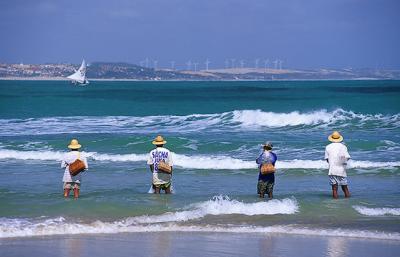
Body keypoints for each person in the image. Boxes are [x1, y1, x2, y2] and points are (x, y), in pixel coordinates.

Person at [325, 131, 351, 199]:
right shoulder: (343, 147)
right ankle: (348, 202)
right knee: (345, 188)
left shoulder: (328, 147)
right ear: (339, 138)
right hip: (341, 169)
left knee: (334, 188)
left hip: (332, 169)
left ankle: (335, 204)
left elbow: (327, 160)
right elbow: (347, 158)